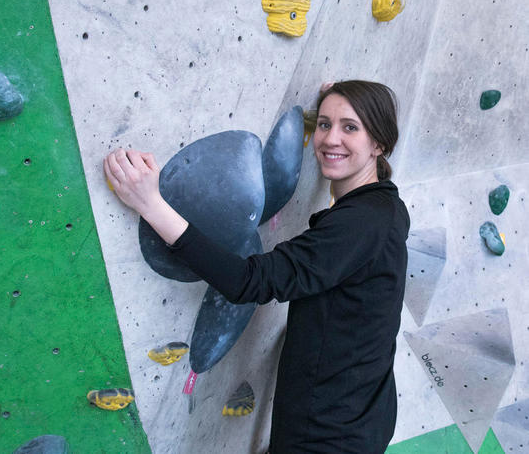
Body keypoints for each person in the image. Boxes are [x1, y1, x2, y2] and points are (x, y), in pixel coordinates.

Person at [103, 80, 410, 453]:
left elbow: (248, 282)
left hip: (327, 437)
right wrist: (344, 101)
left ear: (379, 143)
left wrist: (151, 204)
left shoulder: (358, 225)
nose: (330, 139)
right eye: (325, 124)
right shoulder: (385, 207)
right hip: (362, 419)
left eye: (350, 127)